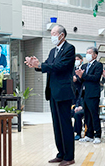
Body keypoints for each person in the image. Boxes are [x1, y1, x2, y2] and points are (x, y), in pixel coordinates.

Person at [24, 25, 75, 166]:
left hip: (63, 93)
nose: (52, 36)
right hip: (52, 92)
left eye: (54, 33)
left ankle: (69, 156)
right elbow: (47, 64)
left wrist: (40, 64)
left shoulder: (69, 49)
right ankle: (61, 153)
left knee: (65, 124)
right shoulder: (53, 51)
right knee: (57, 125)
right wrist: (35, 64)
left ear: (62, 35)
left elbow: (60, 66)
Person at [76, 47, 103, 144]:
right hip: (85, 93)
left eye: (90, 53)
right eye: (86, 52)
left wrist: (83, 75)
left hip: (93, 93)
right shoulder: (84, 66)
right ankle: (89, 134)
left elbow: (96, 78)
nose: (87, 54)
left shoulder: (98, 65)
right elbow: (81, 81)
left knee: (94, 114)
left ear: (95, 55)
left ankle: (97, 135)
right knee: (87, 115)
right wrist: (79, 76)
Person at [72, 54, 84, 140]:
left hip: (81, 92)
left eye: (77, 59)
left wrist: (77, 79)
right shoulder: (72, 69)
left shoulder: (84, 68)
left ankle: (78, 132)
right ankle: (71, 130)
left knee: (78, 113)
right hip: (73, 93)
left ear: (81, 60)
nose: (76, 60)